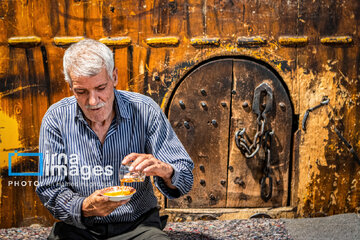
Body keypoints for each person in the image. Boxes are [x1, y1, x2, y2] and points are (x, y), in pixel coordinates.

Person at [36, 39, 194, 240]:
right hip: (80, 228)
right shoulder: (56, 118)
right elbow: (50, 189)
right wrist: (85, 207)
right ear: (70, 87)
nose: (93, 101)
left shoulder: (145, 110)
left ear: (114, 77)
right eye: (81, 92)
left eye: (101, 87)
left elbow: (186, 179)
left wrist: (165, 170)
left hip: (138, 226)